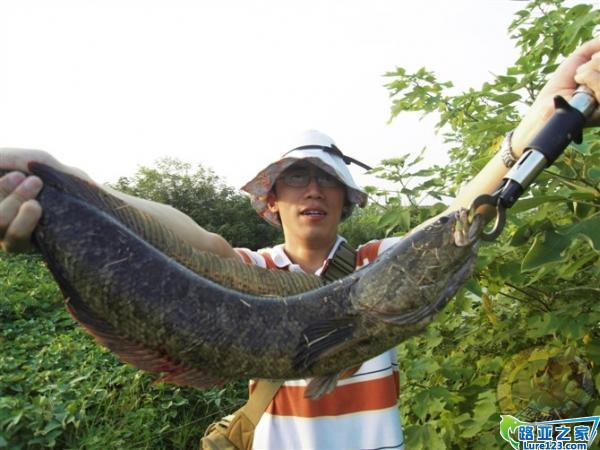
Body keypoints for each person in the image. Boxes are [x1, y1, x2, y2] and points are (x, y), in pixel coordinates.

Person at [1, 38, 599, 450]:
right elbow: (192, 241)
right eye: (296, 178)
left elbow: (466, 208)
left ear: (346, 200)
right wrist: (65, 181)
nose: (313, 189)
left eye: (327, 180)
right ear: (273, 201)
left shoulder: (375, 263)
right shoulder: (248, 275)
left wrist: (545, 114)